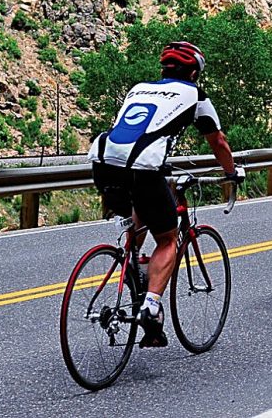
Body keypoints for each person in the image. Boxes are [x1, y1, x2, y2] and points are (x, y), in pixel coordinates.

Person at [87, 41, 243, 348]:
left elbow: (137, 132)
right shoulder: (195, 95)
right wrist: (230, 172)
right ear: (195, 71)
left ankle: (135, 269)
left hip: (103, 163)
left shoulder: (139, 88)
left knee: (143, 210)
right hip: (143, 168)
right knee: (168, 238)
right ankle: (152, 306)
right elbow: (218, 141)